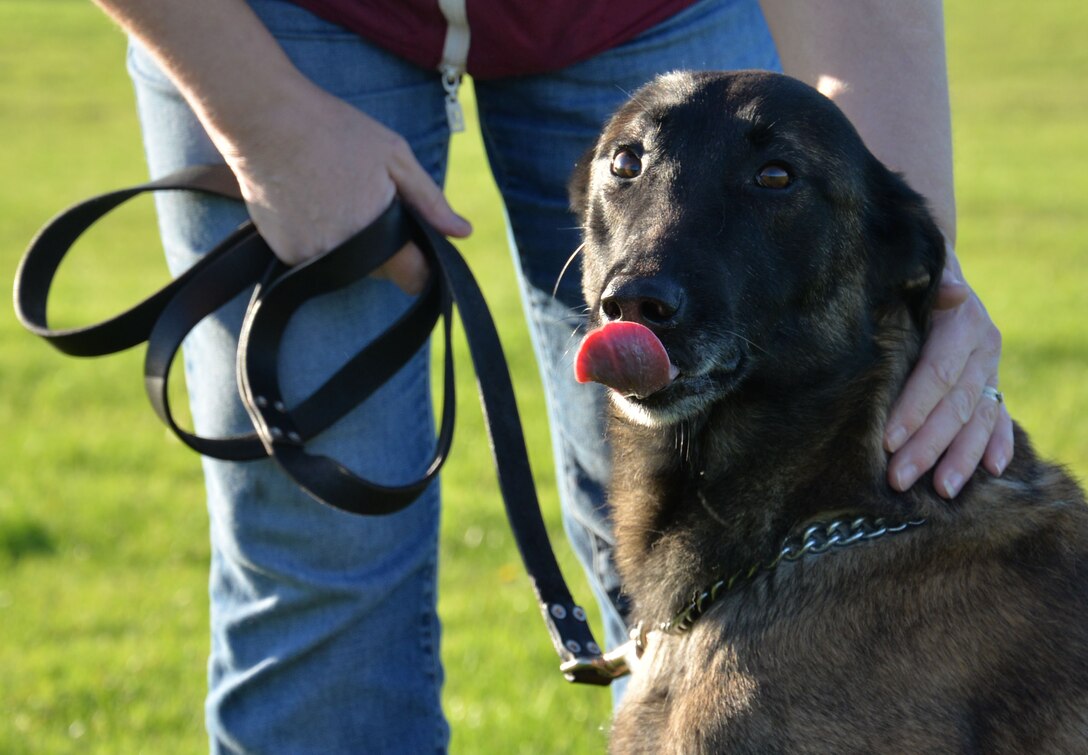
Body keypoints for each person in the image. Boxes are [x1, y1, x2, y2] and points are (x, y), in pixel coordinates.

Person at [90, 0, 1013, 751]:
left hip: (640, 13)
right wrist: (268, 125)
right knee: (321, 556)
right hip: (280, 20)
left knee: (764, 526)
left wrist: (915, 277)